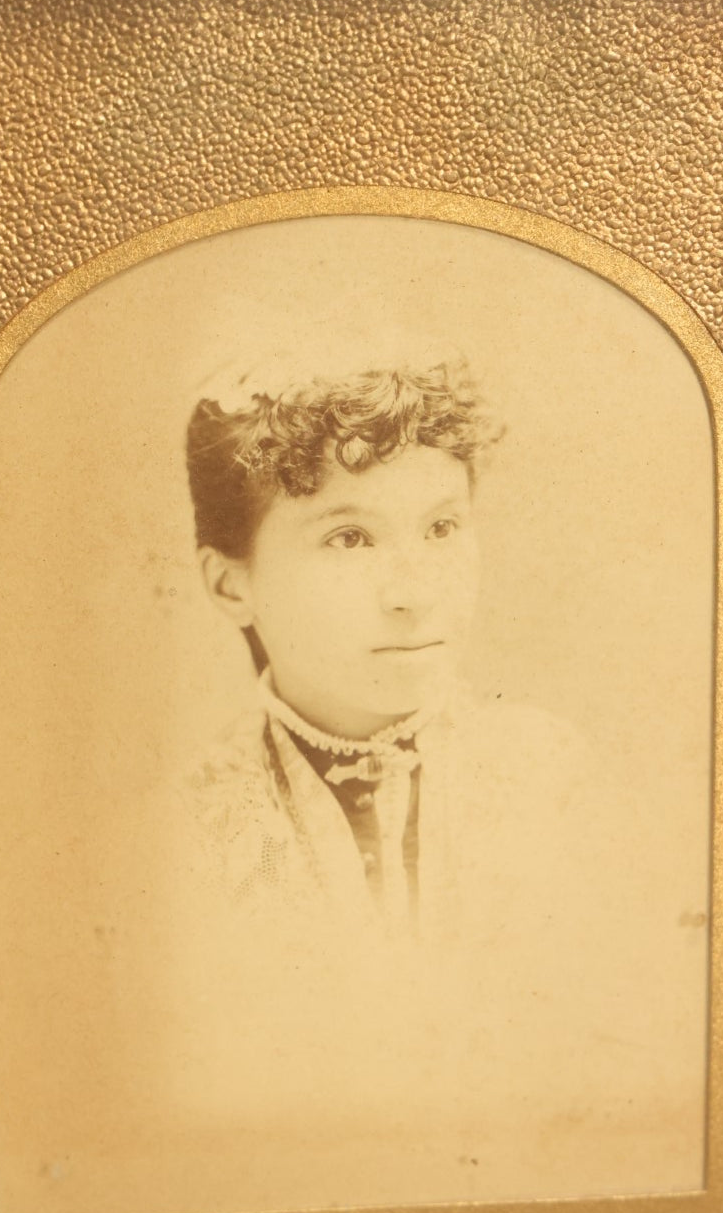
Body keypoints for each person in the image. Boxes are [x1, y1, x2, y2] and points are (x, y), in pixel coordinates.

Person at [179, 359, 587, 960]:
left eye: (441, 527)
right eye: (350, 538)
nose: (414, 595)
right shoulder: (187, 832)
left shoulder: (558, 783)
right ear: (231, 586)